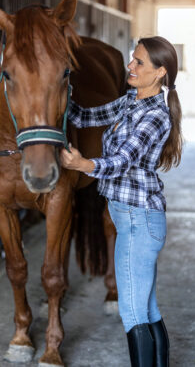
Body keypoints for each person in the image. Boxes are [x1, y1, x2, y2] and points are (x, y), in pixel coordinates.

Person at [60, 36, 182, 367]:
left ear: (160, 73)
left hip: (138, 221)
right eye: (132, 59)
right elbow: (85, 118)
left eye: (139, 62)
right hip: (130, 218)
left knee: (131, 312)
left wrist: (82, 164)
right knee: (147, 308)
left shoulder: (156, 116)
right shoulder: (130, 100)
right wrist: (60, 83)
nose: (130, 66)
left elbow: (121, 162)